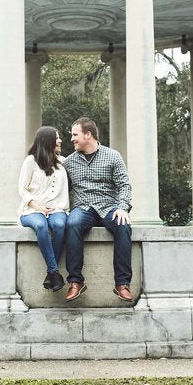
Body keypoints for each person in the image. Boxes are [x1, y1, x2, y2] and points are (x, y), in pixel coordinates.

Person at [62, 117, 133, 302]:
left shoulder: (113, 156)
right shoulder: (68, 163)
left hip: (109, 207)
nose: (72, 139)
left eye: (75, 135)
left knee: (123, 225)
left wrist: (123, 207)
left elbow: (124, 185)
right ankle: (76, 282)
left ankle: (122, 283)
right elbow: (58, 189)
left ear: (88, 134)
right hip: (83, 208)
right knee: (73, 223)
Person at [17, 126, 70, 292]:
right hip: (31, 211)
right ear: (47, 141)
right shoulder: (30, 161)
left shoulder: (63, 162)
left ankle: (50, 274)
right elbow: (22, 189)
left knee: (60, 226)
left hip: (57, 210)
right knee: (41, 226)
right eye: (57, 137)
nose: (60, 140)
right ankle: (54, 272)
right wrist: (37, 206)